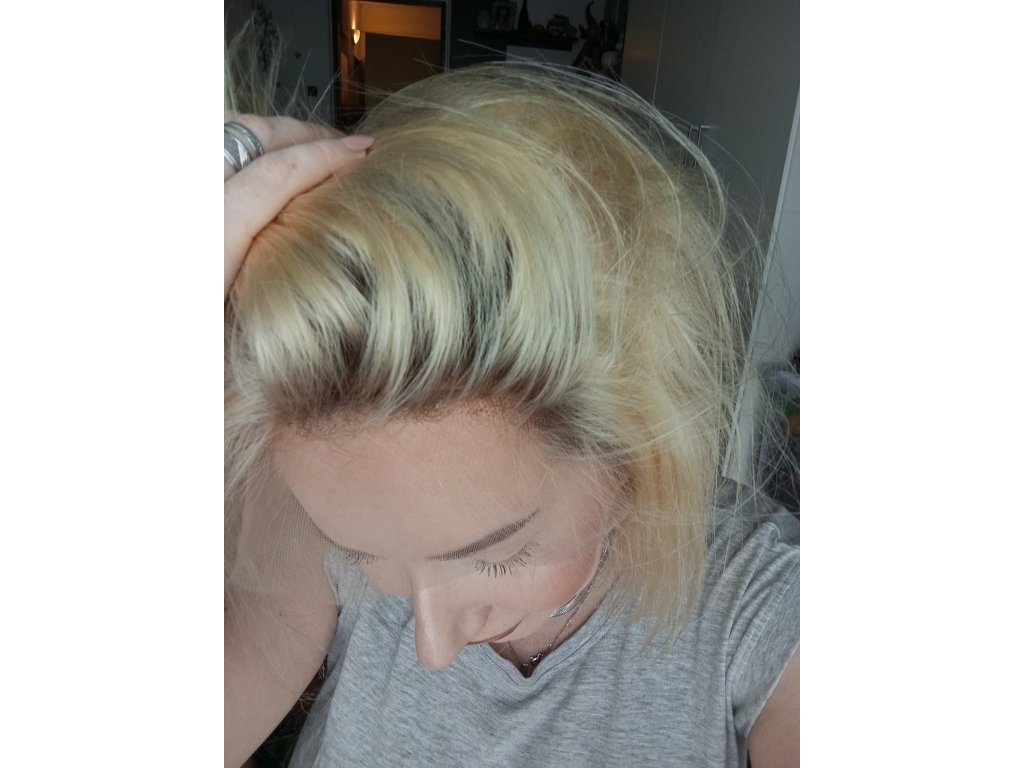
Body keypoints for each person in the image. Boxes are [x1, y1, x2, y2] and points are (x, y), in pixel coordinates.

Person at [224, 63, 799, 768]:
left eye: (499, 554)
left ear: (633, 446)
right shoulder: (324, 507)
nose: (434, 646)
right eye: (365, 556)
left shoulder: (760, 606)